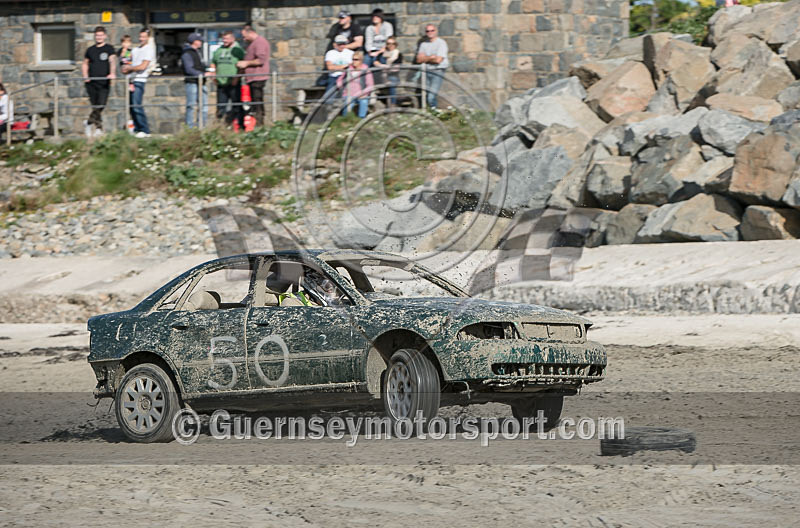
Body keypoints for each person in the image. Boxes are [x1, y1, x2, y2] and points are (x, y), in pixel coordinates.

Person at [81, 26, 116, 137]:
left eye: (101, 35)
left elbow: (112, 61)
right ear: (95, 36)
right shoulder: (90, 50)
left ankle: (88, 122)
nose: (99, 37)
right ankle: (98, 128)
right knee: (95, 105)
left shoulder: (109, 48)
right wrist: (85, 76)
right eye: (97, 35)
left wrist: (112, 73)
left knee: (101, 105)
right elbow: (85, 63)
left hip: (104, 82)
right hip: (91, 82)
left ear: (105, 36)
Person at [122, 28, 154, 138]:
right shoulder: (135, 50)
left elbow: (143, 66)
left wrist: (130, 68)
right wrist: (125, 49)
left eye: (144, 37)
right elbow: (126, 60)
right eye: (140, 36)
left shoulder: (149, 50)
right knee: (131, 106)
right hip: (131, 80)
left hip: (140, 80)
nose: (141, 39)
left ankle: (145, 130)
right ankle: (136, 129)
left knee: (136, 105)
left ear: (148, 38)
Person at [236, 24, 271, 126]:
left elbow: (261, 60)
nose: (243, 38)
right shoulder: (253, 43)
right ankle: (257, 123)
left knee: (257, 100)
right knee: (254, 101)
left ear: (251, 32)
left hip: (258, 77)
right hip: (252, 77)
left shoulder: (259, 42)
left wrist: (246, 63)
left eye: (244, 35)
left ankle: (260, 124)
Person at [211, 30, 245, 129]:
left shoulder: (238, 50)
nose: (224, 41)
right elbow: (213, 62)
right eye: (223, 39)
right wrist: (213, 74)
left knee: (237, 105)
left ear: (232, 39)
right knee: (221, 107)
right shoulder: (219, 50)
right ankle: (220, 127)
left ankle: (241, 126)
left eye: (226, 39)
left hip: (234, 83)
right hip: (221, 83)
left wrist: (237, 77)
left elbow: (242, 65)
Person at [415, 24, 449, 108]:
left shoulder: (441, 43)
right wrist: (431, 57)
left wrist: (425, 58)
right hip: (426, 71)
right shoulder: (423, 44)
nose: (430, 32)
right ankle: (432, 112)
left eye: (432, 30)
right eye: (428, 31)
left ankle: (434, 112)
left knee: (431, 96)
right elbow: (418, 60)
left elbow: (438, 60)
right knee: (426, 94)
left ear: (436, 31)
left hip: (438, 71)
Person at [181, 32, 210, 128]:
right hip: (192, 82)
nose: (201, 42)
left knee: (204, 106)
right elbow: (189, 69)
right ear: (194, 41)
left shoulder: (198, 52)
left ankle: (201, 126)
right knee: (191, 106)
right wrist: (202, 74)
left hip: (201, 82)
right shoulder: (187, 53)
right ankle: (189, 128)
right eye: (199, 40)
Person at [337, 51, 374, 118]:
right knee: (348, 104)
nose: (354, 61)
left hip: (361, 94)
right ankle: (346, 120)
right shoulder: (348, 69)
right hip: (349, 94)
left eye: (356, 59)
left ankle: (361, 119)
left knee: (364, 102)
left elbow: (370, 85)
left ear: (361, 60)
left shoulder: (366, 70)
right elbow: (340, 80)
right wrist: (342, 88)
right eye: (353, 59)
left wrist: (362, 93)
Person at [376, 36, 403, 106]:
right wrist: (386, 67)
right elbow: (375, 62)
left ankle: (392, 104)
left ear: (395, 44)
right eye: (388, 43)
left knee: (392, 82)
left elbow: (396, 68)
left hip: (393, 76)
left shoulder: (398, 54)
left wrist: (382, 66)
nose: (390, 45)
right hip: (381, 76)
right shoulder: (382, 54)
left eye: (392, 43)